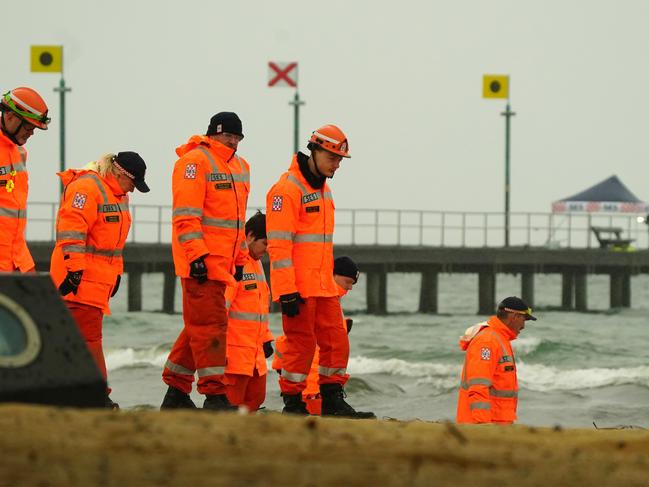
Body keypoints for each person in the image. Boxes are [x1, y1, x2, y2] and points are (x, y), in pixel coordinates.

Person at [266, 124, 373, 418]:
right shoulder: (286, 190)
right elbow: (279, 246)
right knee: (301, 346)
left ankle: (333, 399)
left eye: (340, 160)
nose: (337, 165)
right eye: (333, 158)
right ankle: (293, 402)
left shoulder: (324, 190)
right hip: (298, 287)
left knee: (337, 341)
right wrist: (286, 289)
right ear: (315, 150)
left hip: (323, 284)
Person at [161, 112, 250, 410]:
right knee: (211, 327)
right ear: (213, 133)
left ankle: (175, 393)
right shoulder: (194, 162)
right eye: (228, 136)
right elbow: (186, 215)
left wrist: (239, 259)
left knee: (198, 328)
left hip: (225, 264)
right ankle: (214, 395)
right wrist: (196, 255)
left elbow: (236, 222)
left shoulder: (240, 166)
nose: (233, 142)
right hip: (202, 263)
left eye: (237, 137)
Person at [50, 152, 150, 408]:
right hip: (78, 280)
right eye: (133, 183)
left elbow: (113, 247)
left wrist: (115, 274)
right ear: (120, 174)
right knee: (88, 340)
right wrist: (74, 271)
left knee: (80, 340)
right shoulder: (86, 187)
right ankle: (95, 396)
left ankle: (77, 395)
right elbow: (71, 230)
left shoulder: (120, 196)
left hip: (96, 282)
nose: (134, 190)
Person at [273, 255, 365, 416]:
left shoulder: (332, 304)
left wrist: (280, 367)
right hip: (311, 393)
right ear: (333, 275)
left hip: (310, 391)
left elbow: (288, 344)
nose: (350, 288)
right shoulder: (322, 300)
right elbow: (296, 342)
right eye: (348, 282)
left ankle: (298, 402)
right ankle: (299, 402)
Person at [456, 296, 537, 424]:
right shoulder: (488, 341)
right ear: (514, 316)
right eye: (524, 319)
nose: (523, 326)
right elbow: (478, 385)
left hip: (497, 423)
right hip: (484, 425)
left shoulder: (500, 339)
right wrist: (482, 424)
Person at [223, 211, 274, 412]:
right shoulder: (235, 262)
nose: (267, 250)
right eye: (265, 244)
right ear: (250, 236)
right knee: (230, 407)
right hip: (235, 357)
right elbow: (221, 310)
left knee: (255, 401)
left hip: (255, 356)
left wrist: (266, 339)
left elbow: (258, 308)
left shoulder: (258, 264)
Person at [0, 87, 50, 272]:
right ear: (10, 116)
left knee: (43, 301)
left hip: (18, 261)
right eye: (29, 127)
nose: (31, 133)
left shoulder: (19, 153)